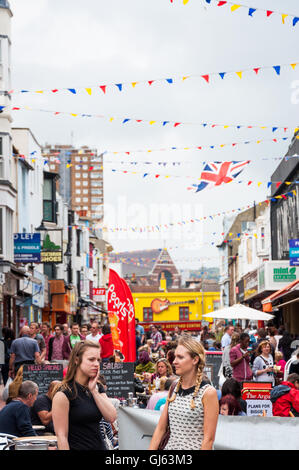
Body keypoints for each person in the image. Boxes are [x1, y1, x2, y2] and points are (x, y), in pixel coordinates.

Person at [149, 335, 219, 450]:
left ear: (195, 360)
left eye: (180, 357)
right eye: (175, 357)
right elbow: (161, 428)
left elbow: (208, 440)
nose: (174, 361)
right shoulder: (174, 386)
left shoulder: (208, 392)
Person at [52, 340, 117, 450]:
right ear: (77, 360)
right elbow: (61, 436)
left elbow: (111, 416)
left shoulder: (97, 387)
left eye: (98, 360)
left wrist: (94, 391)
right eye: (91, 359)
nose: (96, 364)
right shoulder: (64, 393)